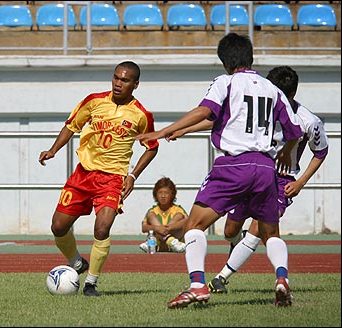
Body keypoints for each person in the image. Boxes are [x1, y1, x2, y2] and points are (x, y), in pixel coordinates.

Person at [136, 32, 303, 309]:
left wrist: (166, 129)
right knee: (270, 233)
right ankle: (282, 280)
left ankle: (198, 285)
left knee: (194, 225)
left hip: (233, 165)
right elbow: (294, 129)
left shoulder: (226, 82)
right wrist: (286, 150)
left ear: (225, 62)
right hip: (264, 168)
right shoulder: (271, 88)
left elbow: (205, 111)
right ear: (250, 57)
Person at [39, 61, 159, 297]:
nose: (117, 83)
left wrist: (132, 175)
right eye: (115, 78)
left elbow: (152, 147)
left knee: (102, 228)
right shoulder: (93, 101)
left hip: (112, 179)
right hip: (83, 174)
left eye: (124, 80)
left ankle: (90, 283)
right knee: (58, 226)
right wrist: (53, 150)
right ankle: (76, 262)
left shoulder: (141, 115)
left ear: (135, 84)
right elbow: (71, 126)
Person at [207, 65, 329, 294]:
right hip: (253, 173)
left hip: (281, 181)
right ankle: (239, 245)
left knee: (260, 229)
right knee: (229, 231)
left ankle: (221, 278)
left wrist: (300, 182)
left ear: (291, 95)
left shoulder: (308, 121)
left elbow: (321, 152)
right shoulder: (260, 108)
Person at [139, 177, 187, 253]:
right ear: (156, 194)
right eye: (160, 193)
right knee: (151, 215)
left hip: (176, 243)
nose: (163, 196)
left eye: (166, 193)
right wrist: (157, 228)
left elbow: (187, 222)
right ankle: (167, 240)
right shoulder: (153, 210)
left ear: (172, 194)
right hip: (158, 246)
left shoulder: (178, 209)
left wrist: (169, 228)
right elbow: (144, 228)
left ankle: (170, 242)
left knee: (179, 216)